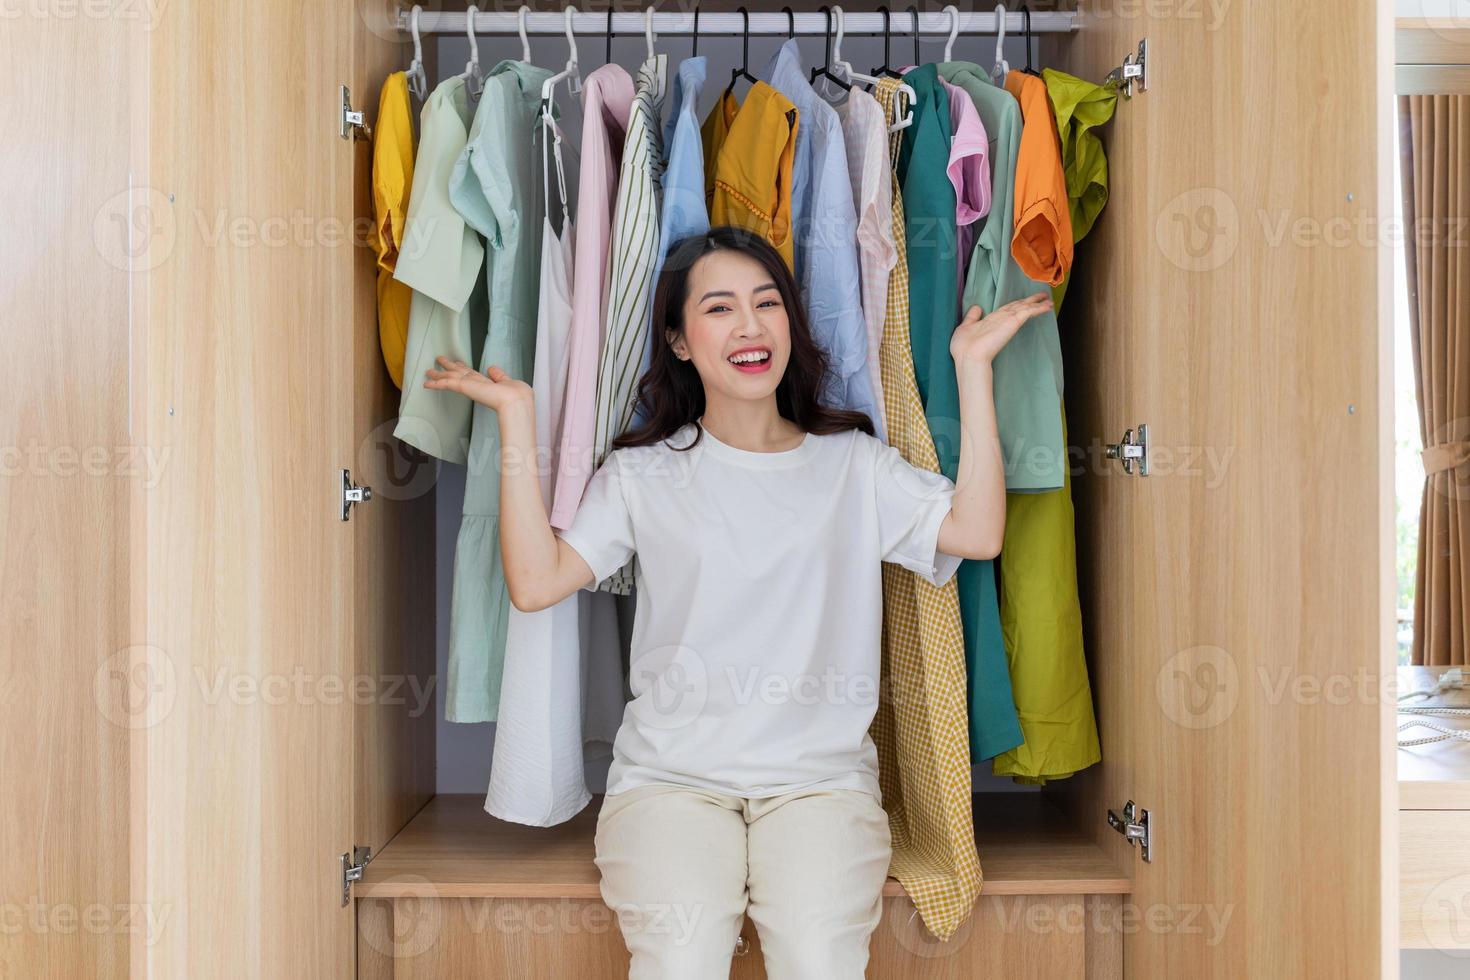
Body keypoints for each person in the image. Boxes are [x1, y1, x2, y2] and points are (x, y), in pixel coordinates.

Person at [422, 226, 1052, 979]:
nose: (751, 326)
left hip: (819, 787)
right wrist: (516, 422)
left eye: (767, 303)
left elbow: (976, 533)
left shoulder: (852, 465)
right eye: (719, 308)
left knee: (820, 961)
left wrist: (972, 369)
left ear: (791, 321)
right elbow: (536, 583)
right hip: (670, 785)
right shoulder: (644, 475)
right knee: (680, 960)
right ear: (681, 341)